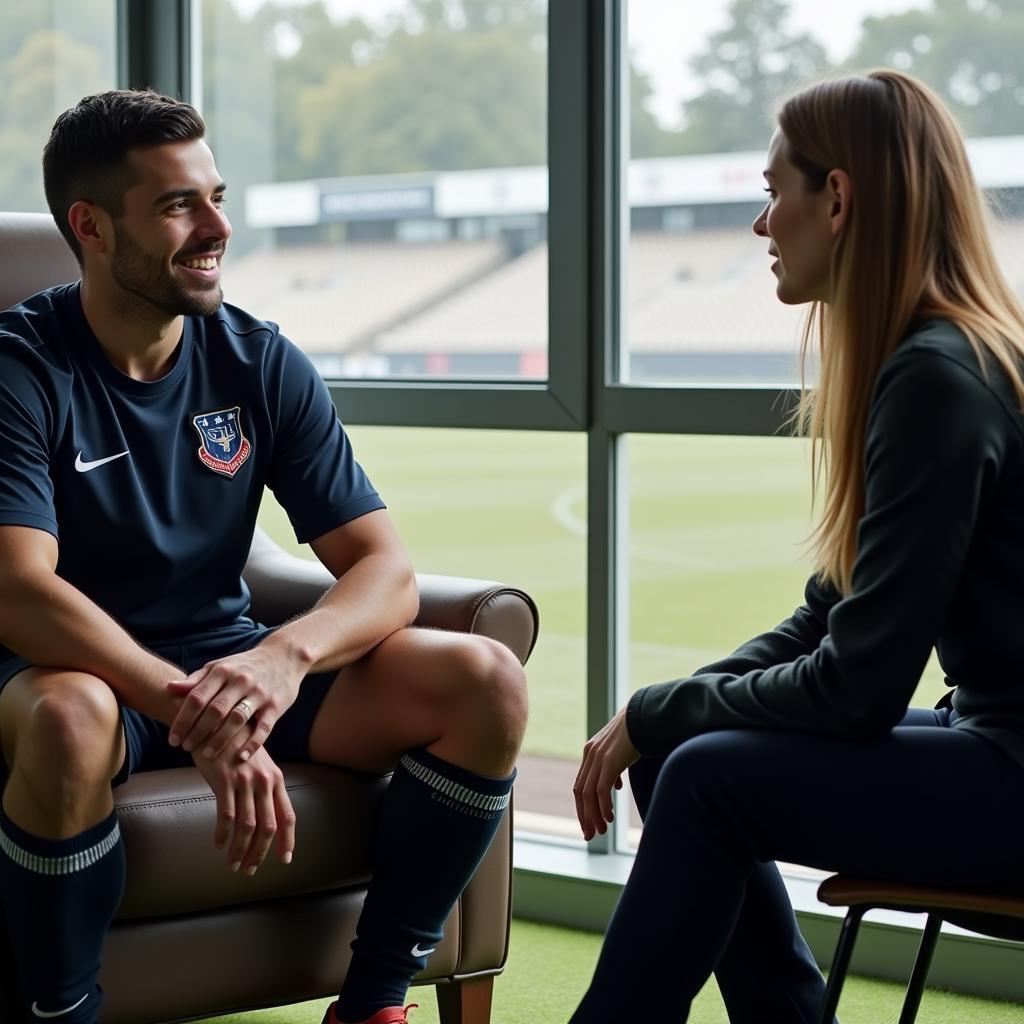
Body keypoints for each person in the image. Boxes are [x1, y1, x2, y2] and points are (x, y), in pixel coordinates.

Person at [0, 89, 527, 1024]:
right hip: (78, 675)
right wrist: (194, 711)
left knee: (483, 678)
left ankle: (373, 1004)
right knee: (69, 720)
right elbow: (20, 592)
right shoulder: (20, 366)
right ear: (89, 226)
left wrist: (281, 657)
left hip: (230, 668)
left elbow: (383, 570)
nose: (217, 227)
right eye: (177, 206)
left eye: (217, 196)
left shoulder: (256, 357)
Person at [569, 68, 1024, 1023]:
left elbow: (858, 689)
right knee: (677, 752)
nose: (762, 223)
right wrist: (657, 716)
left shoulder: (941, 376)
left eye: (775, 192)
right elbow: (831, 611)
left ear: (839, 198)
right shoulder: (937, 355)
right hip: (993, 738)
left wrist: (664, 711)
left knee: (698, 770)